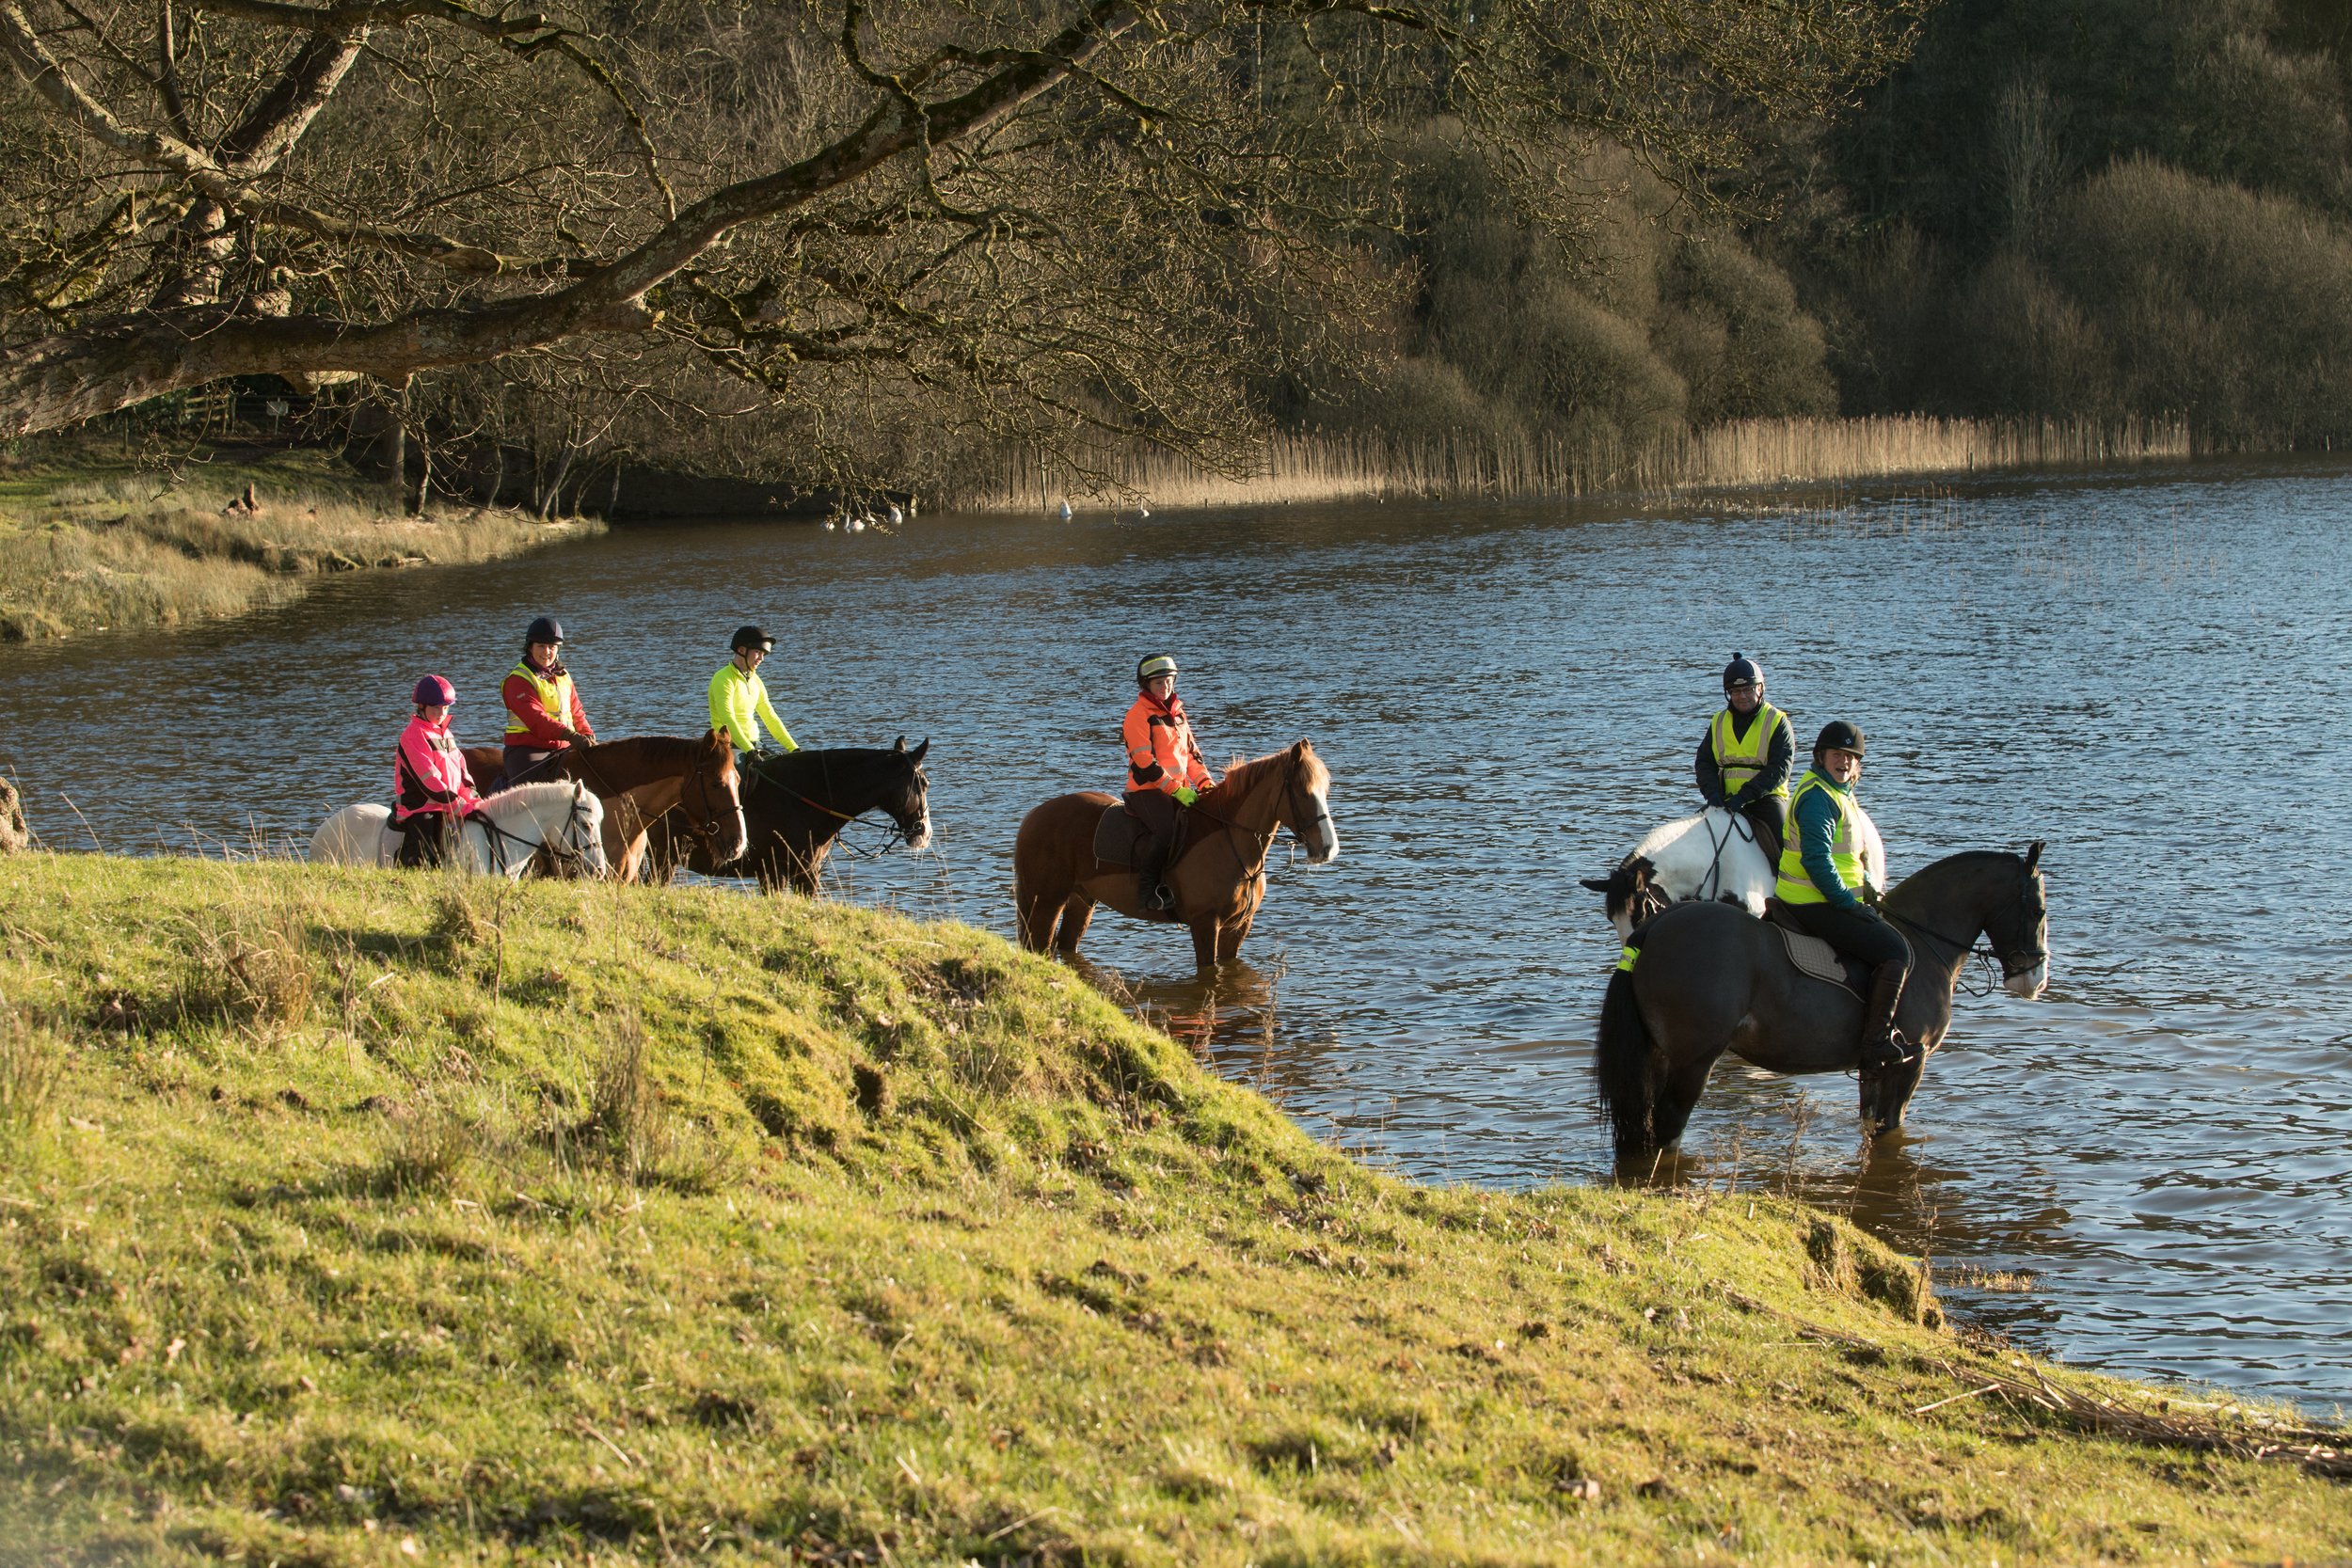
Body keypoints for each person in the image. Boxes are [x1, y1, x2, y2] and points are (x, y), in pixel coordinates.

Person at [1773, 721, 1913, 1071]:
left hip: (1828, 897)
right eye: (1838, 755)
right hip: (1813, 902)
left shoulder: (1839, 793)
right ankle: (1874, 1042)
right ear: (1821, 757)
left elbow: (1847, 856)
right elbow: (1817, 861)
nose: (1845, 762)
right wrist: (1849, 904)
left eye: (1852, 757)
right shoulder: (1819, 798)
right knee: (1897, 952)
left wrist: (1866, 885)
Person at [1121, 654, 1215, 912]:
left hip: (1179, 790)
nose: (1165, 687)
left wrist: (1206, 783)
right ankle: (1147, 891)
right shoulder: (1137, 715)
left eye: (1169, 681)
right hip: (1147, 791)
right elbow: (1144, 762)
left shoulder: (1179, 715)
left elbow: (1192, 757)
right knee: (1167, 832)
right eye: (1159, 683)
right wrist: (1177, 790)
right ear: (1147, 685)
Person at [1696, 652, 1792, 863]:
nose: (1742, 696)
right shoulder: (1718, 721)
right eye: (1736, 691)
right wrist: (1712, 794)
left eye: (1748, 689)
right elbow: (1704, 762)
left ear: (1760, 688)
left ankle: (1790, 889)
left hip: (1766, 799)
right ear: (1728, 693)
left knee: (1786, 846)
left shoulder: (1776, 720)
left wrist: (1745, 796)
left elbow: (1780, 767)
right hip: (1725, 800)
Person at [392, 674, 482, 868]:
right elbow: (429, 781)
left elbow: (462, 776)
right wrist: (460, 806)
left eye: (445, 707)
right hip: (422, 807)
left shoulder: (446, 734)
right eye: (436, 708)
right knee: (427, 854)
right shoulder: (413, 735)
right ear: (422, 707)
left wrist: (475, 803)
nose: (441, 713)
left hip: (448, 805)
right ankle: (407, 872)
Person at [501, 615, 594, 784]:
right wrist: (569, 735)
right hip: (528, 749)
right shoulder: (518, 680)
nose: (547, 652)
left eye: (552, 647)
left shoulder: (563, 675)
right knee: (530, 792)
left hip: (565, 746)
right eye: (541, 646)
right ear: (530, 647)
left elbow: (576, 711)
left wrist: (587, 733)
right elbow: (536, 719)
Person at [708, 625, 797, 766]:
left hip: (755, 744)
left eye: (764, 654)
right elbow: (727, 719)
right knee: (737, 779)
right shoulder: (723, 678)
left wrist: (793, 748)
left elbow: (770, 717)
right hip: (728, 746)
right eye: (757, 652)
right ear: (741, 650)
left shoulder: (756, 681)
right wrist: (749, 750)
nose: (761, 658)